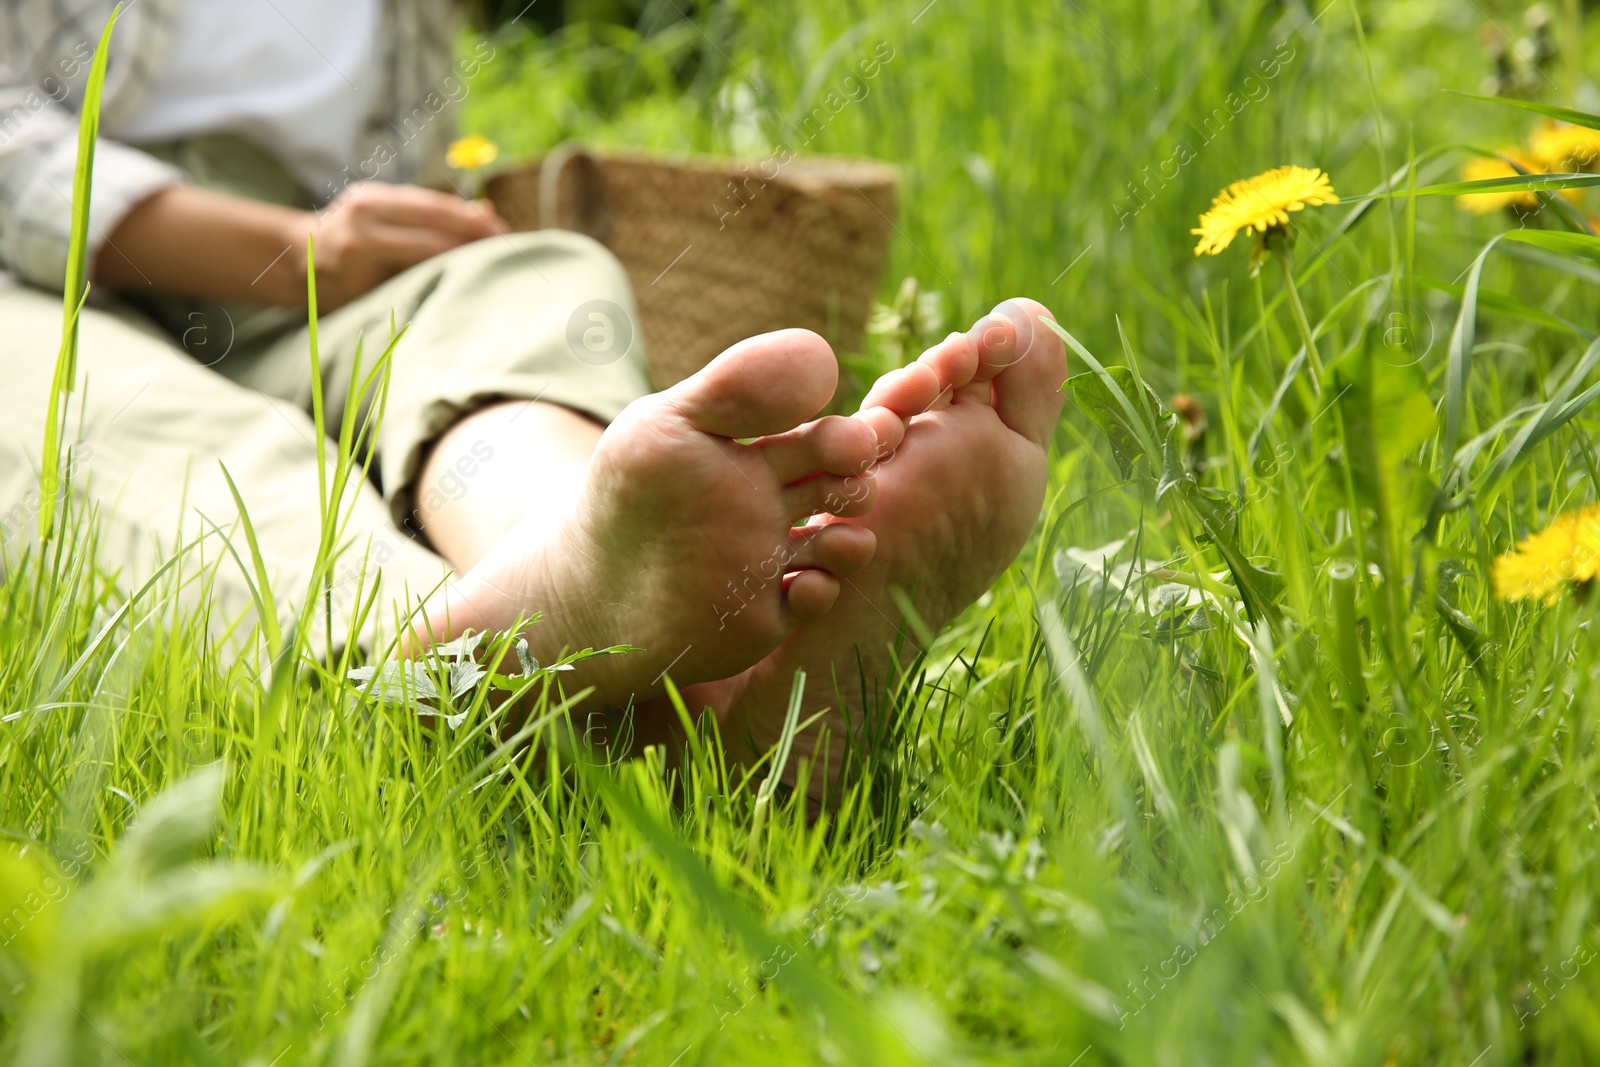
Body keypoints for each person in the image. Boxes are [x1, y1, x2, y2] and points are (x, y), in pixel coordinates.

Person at [0, 0, 1066, 792]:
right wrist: (296, 248)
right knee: (128, 420)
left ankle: (583, 569)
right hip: (43, 274)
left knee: (516, 294)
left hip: (326, 268)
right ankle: (456, 655)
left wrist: (342, 245)